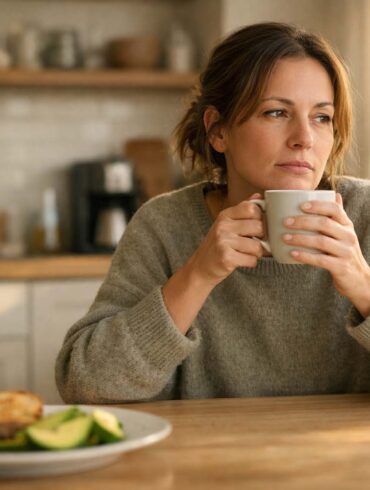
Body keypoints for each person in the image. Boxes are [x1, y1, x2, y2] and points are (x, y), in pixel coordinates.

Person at [56, 22, 370, 404]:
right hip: (203, 460)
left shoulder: (364, 213)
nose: (305, 138)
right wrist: (198, 274)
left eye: (322, 117)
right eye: (275, 113)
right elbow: (84, 385)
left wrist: (362, 286)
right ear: (218, 130)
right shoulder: (164, 226)